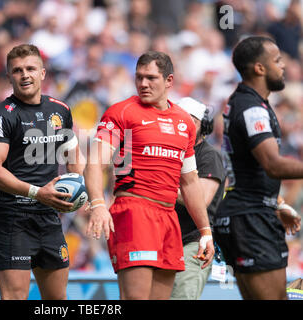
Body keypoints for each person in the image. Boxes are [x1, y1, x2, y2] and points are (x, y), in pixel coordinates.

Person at [83, 51, 214, 300]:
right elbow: (95, 162)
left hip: (168, 217)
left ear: (169, 81)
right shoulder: (122, 112)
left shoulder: (184, 122)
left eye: (151, 78)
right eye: (139, 77)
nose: (143, 84)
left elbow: (189, 182)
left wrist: (205, 231)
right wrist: (98, 204)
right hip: (134, 211)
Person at [0, 44, 85, 300]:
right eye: (17, 70)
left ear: (42, 73)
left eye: (30, 68)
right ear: (9, 77)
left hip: (49, 216)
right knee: (15, 297)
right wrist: (38, 193)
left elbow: (75, 157)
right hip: (13, 217)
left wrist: (74, 185)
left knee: (56, 300)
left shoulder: (60, 110)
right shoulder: (0, 116)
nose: (24, 75)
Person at [214, 36, 302, 300]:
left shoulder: (249, 102)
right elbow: (273, 165)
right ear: (259, 68)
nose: (283, 65)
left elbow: (248, 171)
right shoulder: (251, 108)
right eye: (276, 60)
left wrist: (277, 204)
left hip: (252, 214)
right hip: (250, 220)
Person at [170, 97, 226, 300]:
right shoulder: (172, 153)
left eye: (189, 121)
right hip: (167, 242)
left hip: (193, 244)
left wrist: (159, 186)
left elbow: (200, 201)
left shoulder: (209, 156)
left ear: (203, 125)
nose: (182, 126)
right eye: (178, 121)